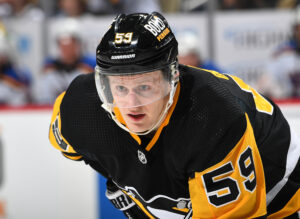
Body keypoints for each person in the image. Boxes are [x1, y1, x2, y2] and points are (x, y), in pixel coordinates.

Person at [48, 12, 300, 218]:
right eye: (120, 87)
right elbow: (77, 148)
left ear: (172, 77)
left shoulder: (213, 118)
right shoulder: (77, 108)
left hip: (280, 193)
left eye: (144, 86)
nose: (131, 103)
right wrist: (122, 176)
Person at [33, 19, 95, 105]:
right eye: (62, 44)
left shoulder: (90, 65)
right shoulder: (50, 66)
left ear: (79, 44)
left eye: (71, 44)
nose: (66, 49)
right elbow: (41, 95)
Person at [259, 21, 300, 99]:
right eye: (298, 30)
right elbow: (268, 77)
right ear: (294, 31)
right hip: (288, 101)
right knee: (265, 81)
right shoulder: (283, 52)